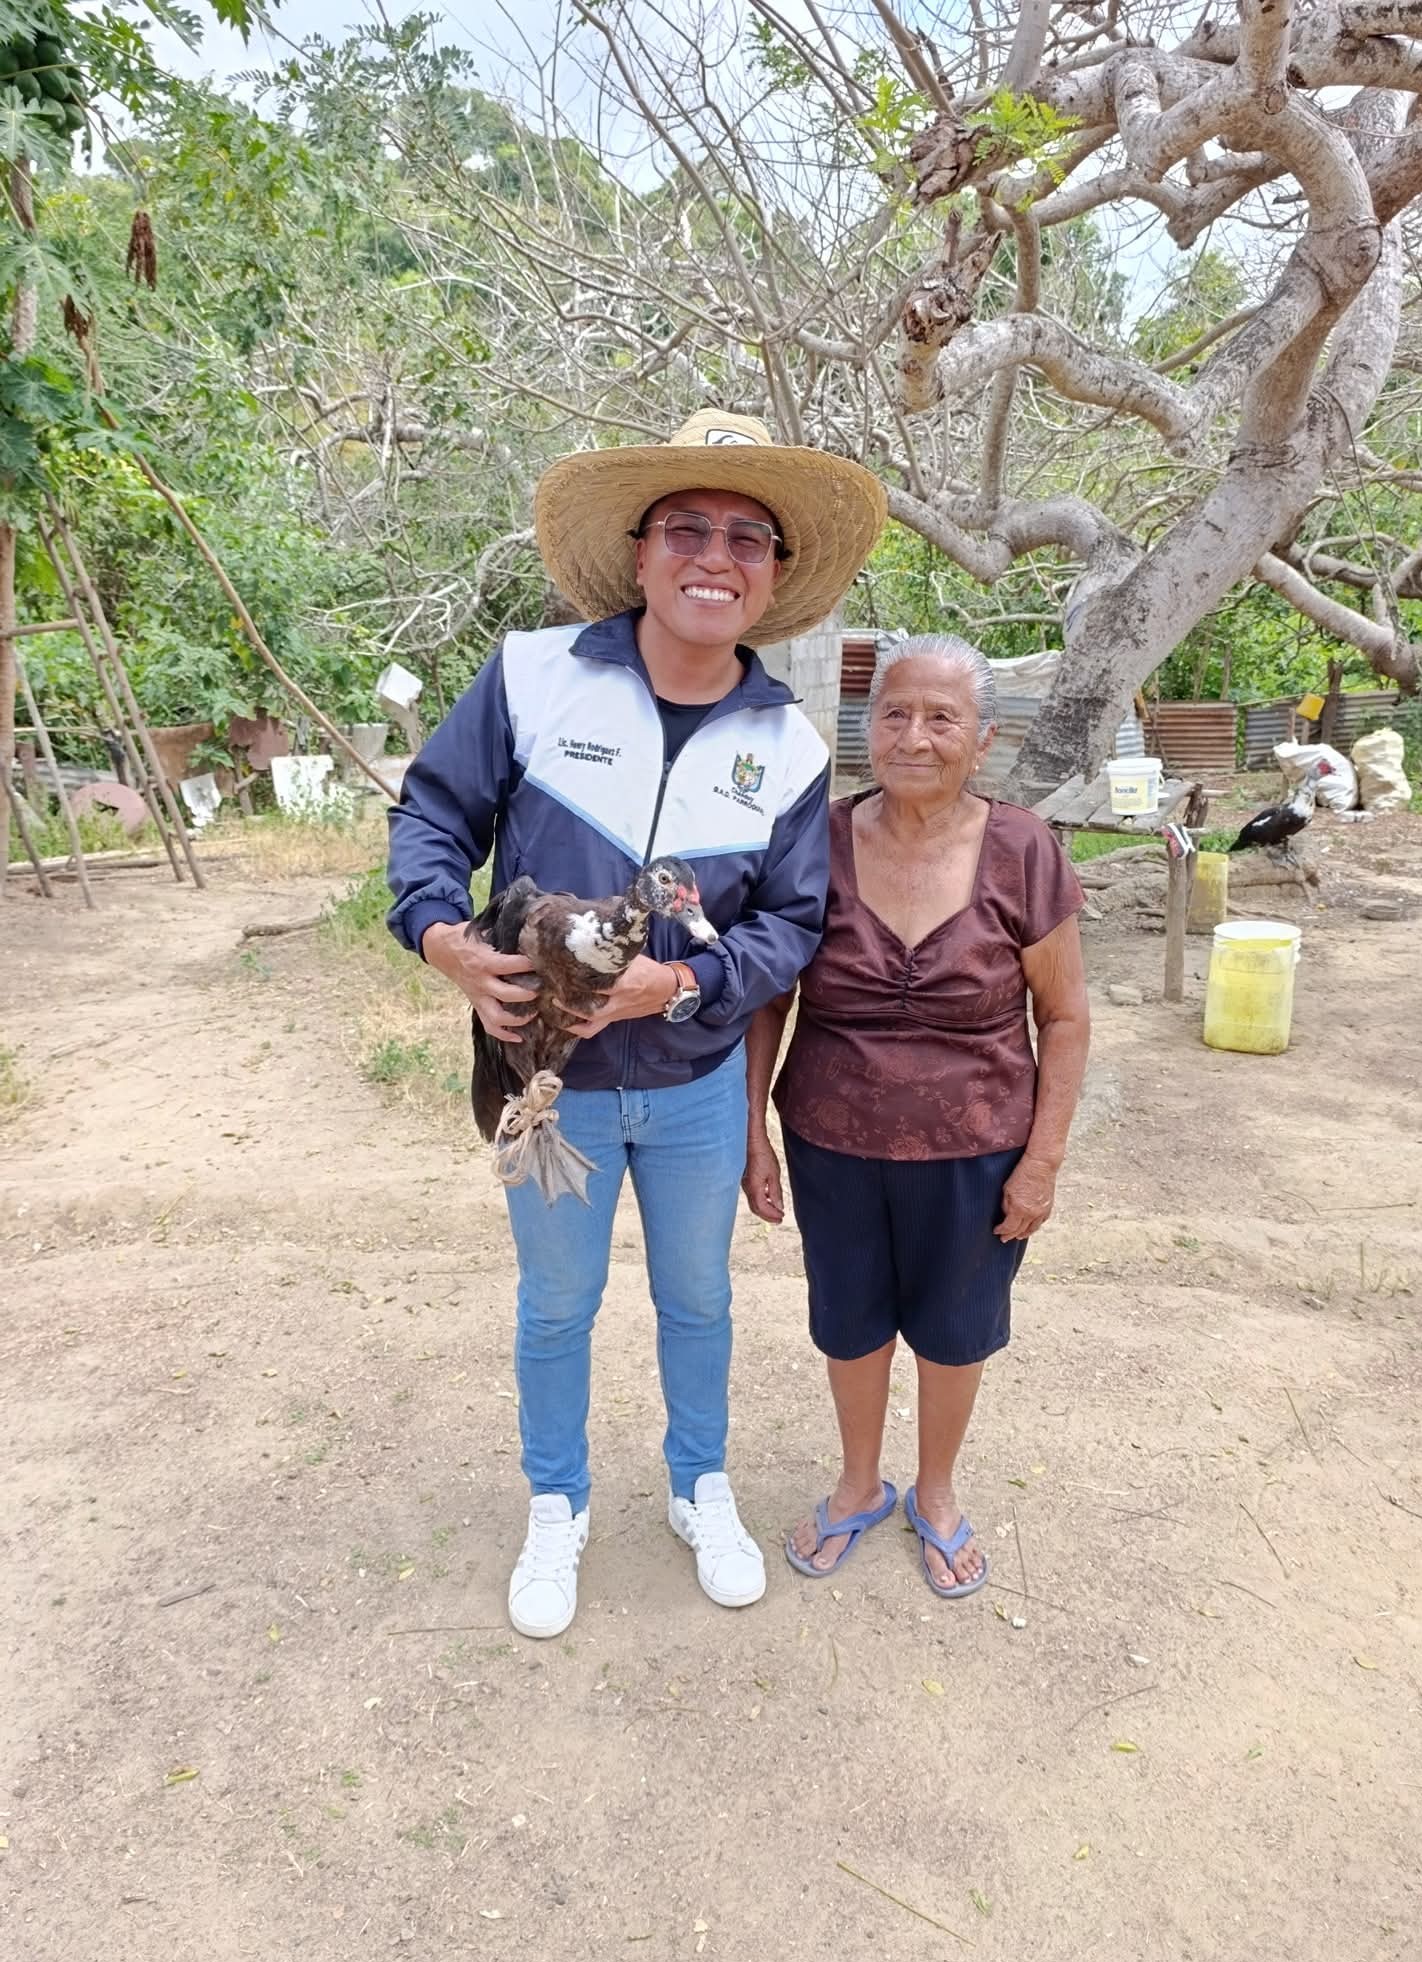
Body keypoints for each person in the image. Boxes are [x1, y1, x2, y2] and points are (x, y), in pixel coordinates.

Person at [387, 410, 886, 1638]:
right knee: (557, 1303)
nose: (715, 556)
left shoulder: (788, 743)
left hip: (695, 1085)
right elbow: (433, 815)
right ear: (641, 549)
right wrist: (441, 937)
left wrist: (681, 986)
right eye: (687, 528)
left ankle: (697, 1484)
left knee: (698, 1298)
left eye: (747, 536)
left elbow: (793, 923)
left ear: (773, 571)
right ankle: (556, 1503)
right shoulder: (532, 675)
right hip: (545, 1081)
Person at [743, 633, 1091, 1597]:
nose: (915, 736)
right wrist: (751, 1129)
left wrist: (1043, 1162)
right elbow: (769, 997)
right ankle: (858, 1485)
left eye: (943, 718)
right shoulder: (815, 840)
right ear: (868, 730)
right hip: (831, 1137)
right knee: (848, 1319)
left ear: (983, 740)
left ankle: (935, 1493)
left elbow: (1064, 1016)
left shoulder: (1024, 849)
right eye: (894, 714)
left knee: (956, 1326)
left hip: (980, 1145)